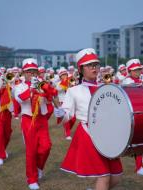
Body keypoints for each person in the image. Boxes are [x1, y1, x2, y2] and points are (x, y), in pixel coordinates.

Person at [54, 48, 123, 190]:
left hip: (108, 135)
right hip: (88, 134)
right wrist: (60, 112)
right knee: (104, 176)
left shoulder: (106, 87)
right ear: (80, 69)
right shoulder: (74, 91)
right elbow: (67, 116)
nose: (94, 68)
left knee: (116, 177)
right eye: (89, 65)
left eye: (96, 64)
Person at [14, 58, 52, 190]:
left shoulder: (42, 83)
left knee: (46, 146)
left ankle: (39, 167)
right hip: (28, 119)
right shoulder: (19, 86)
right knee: (31, 150)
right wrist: (31, 89)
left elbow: (50, 96)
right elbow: (20, 98)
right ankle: (31, 178)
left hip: (41, 118)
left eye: (34, 71)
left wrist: (45, 87)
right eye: (28, 71)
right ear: (24, 73)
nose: (31, 74)